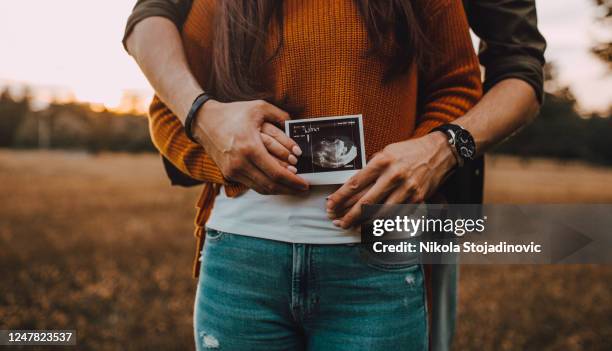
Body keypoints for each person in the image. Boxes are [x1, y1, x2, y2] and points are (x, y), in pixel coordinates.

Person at [123, 1, 545, 350]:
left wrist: (430, 151)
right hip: (241, 260)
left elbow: (461, 83)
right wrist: (223, 152)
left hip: (379, 260)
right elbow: (169, 106)